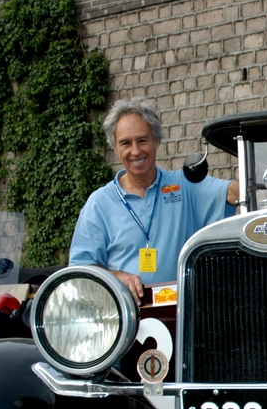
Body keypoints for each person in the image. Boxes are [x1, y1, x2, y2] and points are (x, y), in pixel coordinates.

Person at [70, 97, 239, 300]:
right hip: (125, 320)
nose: (135, 151)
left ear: (156, 141)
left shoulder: (185, 185)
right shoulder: (99, 204)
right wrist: (116, 277)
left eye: (142, 140)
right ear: (115, 148)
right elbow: (79, 271)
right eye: (125, 143)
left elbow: (236, 192)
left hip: (179, 314)